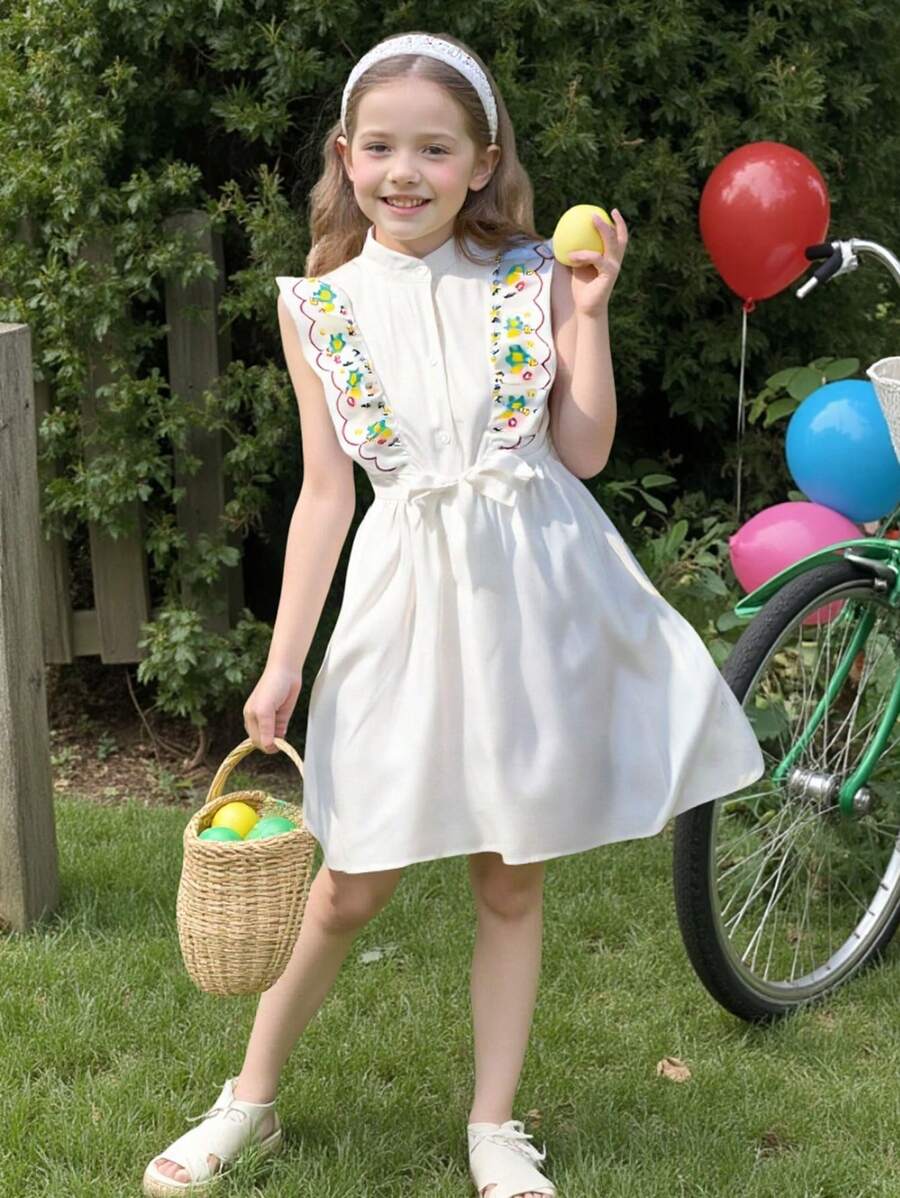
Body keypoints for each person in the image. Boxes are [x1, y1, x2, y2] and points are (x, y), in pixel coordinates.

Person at [143, 29, 766, 1198]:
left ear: (482, 161)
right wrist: (285, 665)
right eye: (381, 146)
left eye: (436, 147)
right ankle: (249, 1098)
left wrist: (591, 308)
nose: (405, 171)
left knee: (508, 873)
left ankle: (494, 1126)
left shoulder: (533, 278)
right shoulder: (319, 308)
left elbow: (579, 452)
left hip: (530, 593)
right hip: (402, 604)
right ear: (345, 153)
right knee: (351, 876)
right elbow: (328, 494)